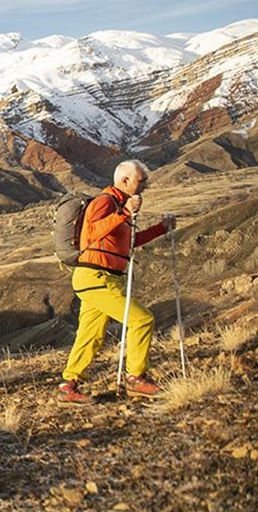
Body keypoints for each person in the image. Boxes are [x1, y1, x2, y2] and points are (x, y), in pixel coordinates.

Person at [59, 159, 175, 403]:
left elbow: (128, 243)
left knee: (90, 334)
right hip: (96, 276)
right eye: (140, 181)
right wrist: (124, 213)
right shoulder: (105, 202)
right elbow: (94, 232)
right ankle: (136, 378)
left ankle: (69, 385)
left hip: (100, 277)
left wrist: (161, 229)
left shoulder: (120, 206)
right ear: (124, 180)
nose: (144, 186)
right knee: (142, 319)